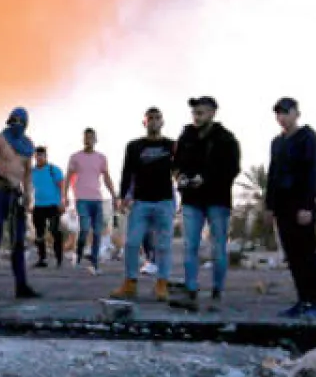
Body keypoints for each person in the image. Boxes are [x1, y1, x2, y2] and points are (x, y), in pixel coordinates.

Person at [170, 97, 241, 310]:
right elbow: (175, 163)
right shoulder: (186, 136)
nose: (196, 116)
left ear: (212, 113)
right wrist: (179, 176)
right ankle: (191, 289)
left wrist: (207, 178)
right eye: (194, 112)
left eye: (201, 112)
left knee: (218, 247)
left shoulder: (226, 138)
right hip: (191, 200)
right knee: (190, 245)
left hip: (217, 200)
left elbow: (232, 168)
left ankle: (217, 290)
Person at [111, 108, 177, 302]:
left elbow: (179, 170)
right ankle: (130, 283)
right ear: (144, 122)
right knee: (132, 243)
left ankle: (162, 284)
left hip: (164, 201)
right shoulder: (134, 146)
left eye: (158, 118)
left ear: (162, 122)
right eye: (150, 118)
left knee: (163, 245)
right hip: (140, 202)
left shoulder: (172, 145)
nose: (154, 121)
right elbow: (127, 172)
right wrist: (123, 197)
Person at [266, 97, 316, 318]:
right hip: (282, 207)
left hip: (301, 205)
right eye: (278, 113)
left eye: (285, 112)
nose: (281, 117)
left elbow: (314, 173)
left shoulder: (307, 138)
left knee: (306, 254)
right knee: (292, 255)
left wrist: (307, 205)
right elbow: (272, 175)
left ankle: (315, 303)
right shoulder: (277, 142)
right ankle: (302, 300)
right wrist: (269, 206)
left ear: (296, 113)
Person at [0, 108, 41, 301]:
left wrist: (29, 196)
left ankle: (21, 286)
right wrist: (0, 173)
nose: (17, 124)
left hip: (16, 196)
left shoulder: (28, 145)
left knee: (18, 242)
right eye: (14, 120)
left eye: (20, 121)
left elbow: (28, 174)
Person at [66, 128, 116, 275]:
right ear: (83, 139)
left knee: (97, 232)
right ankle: (79, 252)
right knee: (85, 228)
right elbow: (68, 176)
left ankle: (94, 263)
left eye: (91, 137)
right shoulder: (75, 157)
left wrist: (114, 194)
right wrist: (64, 196)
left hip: (97, 199)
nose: (88, 140)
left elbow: (106, 177)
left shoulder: (101, 157)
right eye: (86, 137)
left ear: (95, 140)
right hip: (81, 199)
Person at [30, 146, 66, 268]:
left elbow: (62, 186)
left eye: (41, 155)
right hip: (38, 206)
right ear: (35, 157)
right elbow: (29, 188)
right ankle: (42, 259)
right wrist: (29, 203)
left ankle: (59, 257)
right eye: (37, 156)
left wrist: (63, 201)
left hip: (53, 205)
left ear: (45, 156)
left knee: (54, 230)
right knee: (39, 233)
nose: (39, 158)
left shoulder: (53, 170)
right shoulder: (32, 171)